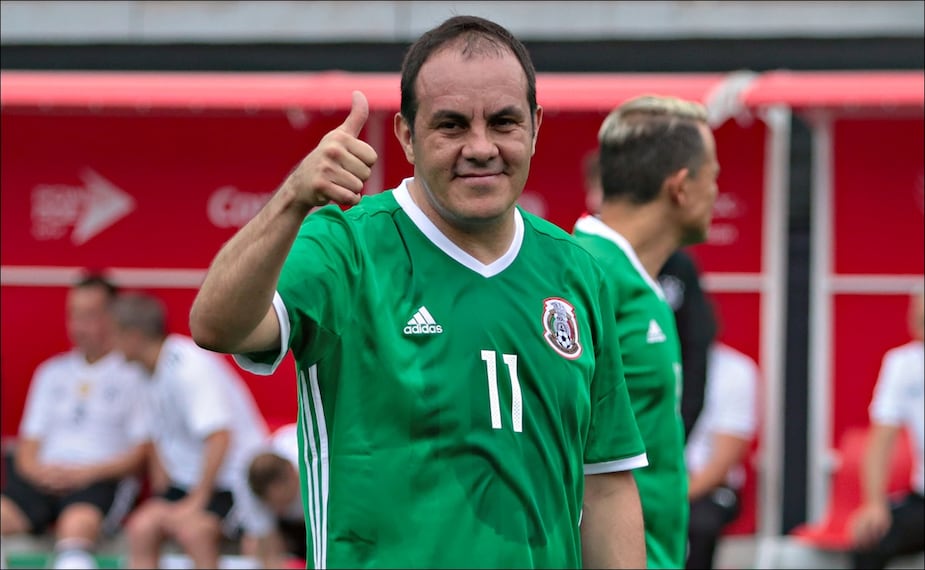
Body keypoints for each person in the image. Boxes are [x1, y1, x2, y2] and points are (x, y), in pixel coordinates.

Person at [188, 14, 647, 569]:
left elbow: (606, 485)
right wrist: (292, 199)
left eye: (504, 122)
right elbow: (217, 326)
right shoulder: (346, 246)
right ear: (406, 135)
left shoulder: (577, 272)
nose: (481, 147)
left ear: (536, 126)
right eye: (451, 126)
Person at [572, 94, 720, 568]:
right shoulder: (585, 274)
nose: (717, 192)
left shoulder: (639, 278)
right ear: (680, 187)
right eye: (713, 176)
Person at [0, 274, 148, 570]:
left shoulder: (134, 374)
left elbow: (143, 451)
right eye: (74, 315)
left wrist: (84, 474)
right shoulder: (51, 372)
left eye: (89, 315)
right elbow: (28, 445)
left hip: (98, 482)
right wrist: (41, 473)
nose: (79, 326)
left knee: (77, 526)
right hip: (44, 478)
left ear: (113, 317)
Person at [110, 292, 268, 569]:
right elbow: (158, 438)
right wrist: (165, 495)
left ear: (133, 336)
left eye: (114, 334)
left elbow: (219, 437)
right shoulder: (144, 371)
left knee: (194, 532)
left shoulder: (188, 368)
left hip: (234, 484)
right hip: (189, 483)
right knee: (141, 527)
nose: (110, 343)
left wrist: (197, 500)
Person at [582, 149, 713, 440]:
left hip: (663, 447)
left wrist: (677, 435)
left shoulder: (678, 266)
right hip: (604, 451)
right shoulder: (580, 263)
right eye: (604, 190)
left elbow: (695, 352)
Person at [849, 284, 924, 569]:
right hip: (922, 499)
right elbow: (881, 440)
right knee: (871, 539)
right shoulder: (903, 363)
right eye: (917, 317)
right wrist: (874, 503)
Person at [685, 341, 759, 569]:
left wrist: (673, 498)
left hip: (705, 489)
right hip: (651, 482)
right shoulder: (643, 363)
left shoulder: (735, 370)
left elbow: (721, 464)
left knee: (699, 523)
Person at [658, 248, 717, 439]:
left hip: (665, 427)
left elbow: (695, 345)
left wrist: (677, 434)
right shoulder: (597, 256)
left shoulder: (678, 266)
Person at [236, 423, 305, 569]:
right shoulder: (247, 490)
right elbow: (270, 552)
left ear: (292, 474)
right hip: (289, 529)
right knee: (253, 545)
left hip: (324, 514)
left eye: (285, 501)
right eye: (273, 504)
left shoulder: (318, 470)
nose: (280, 509)